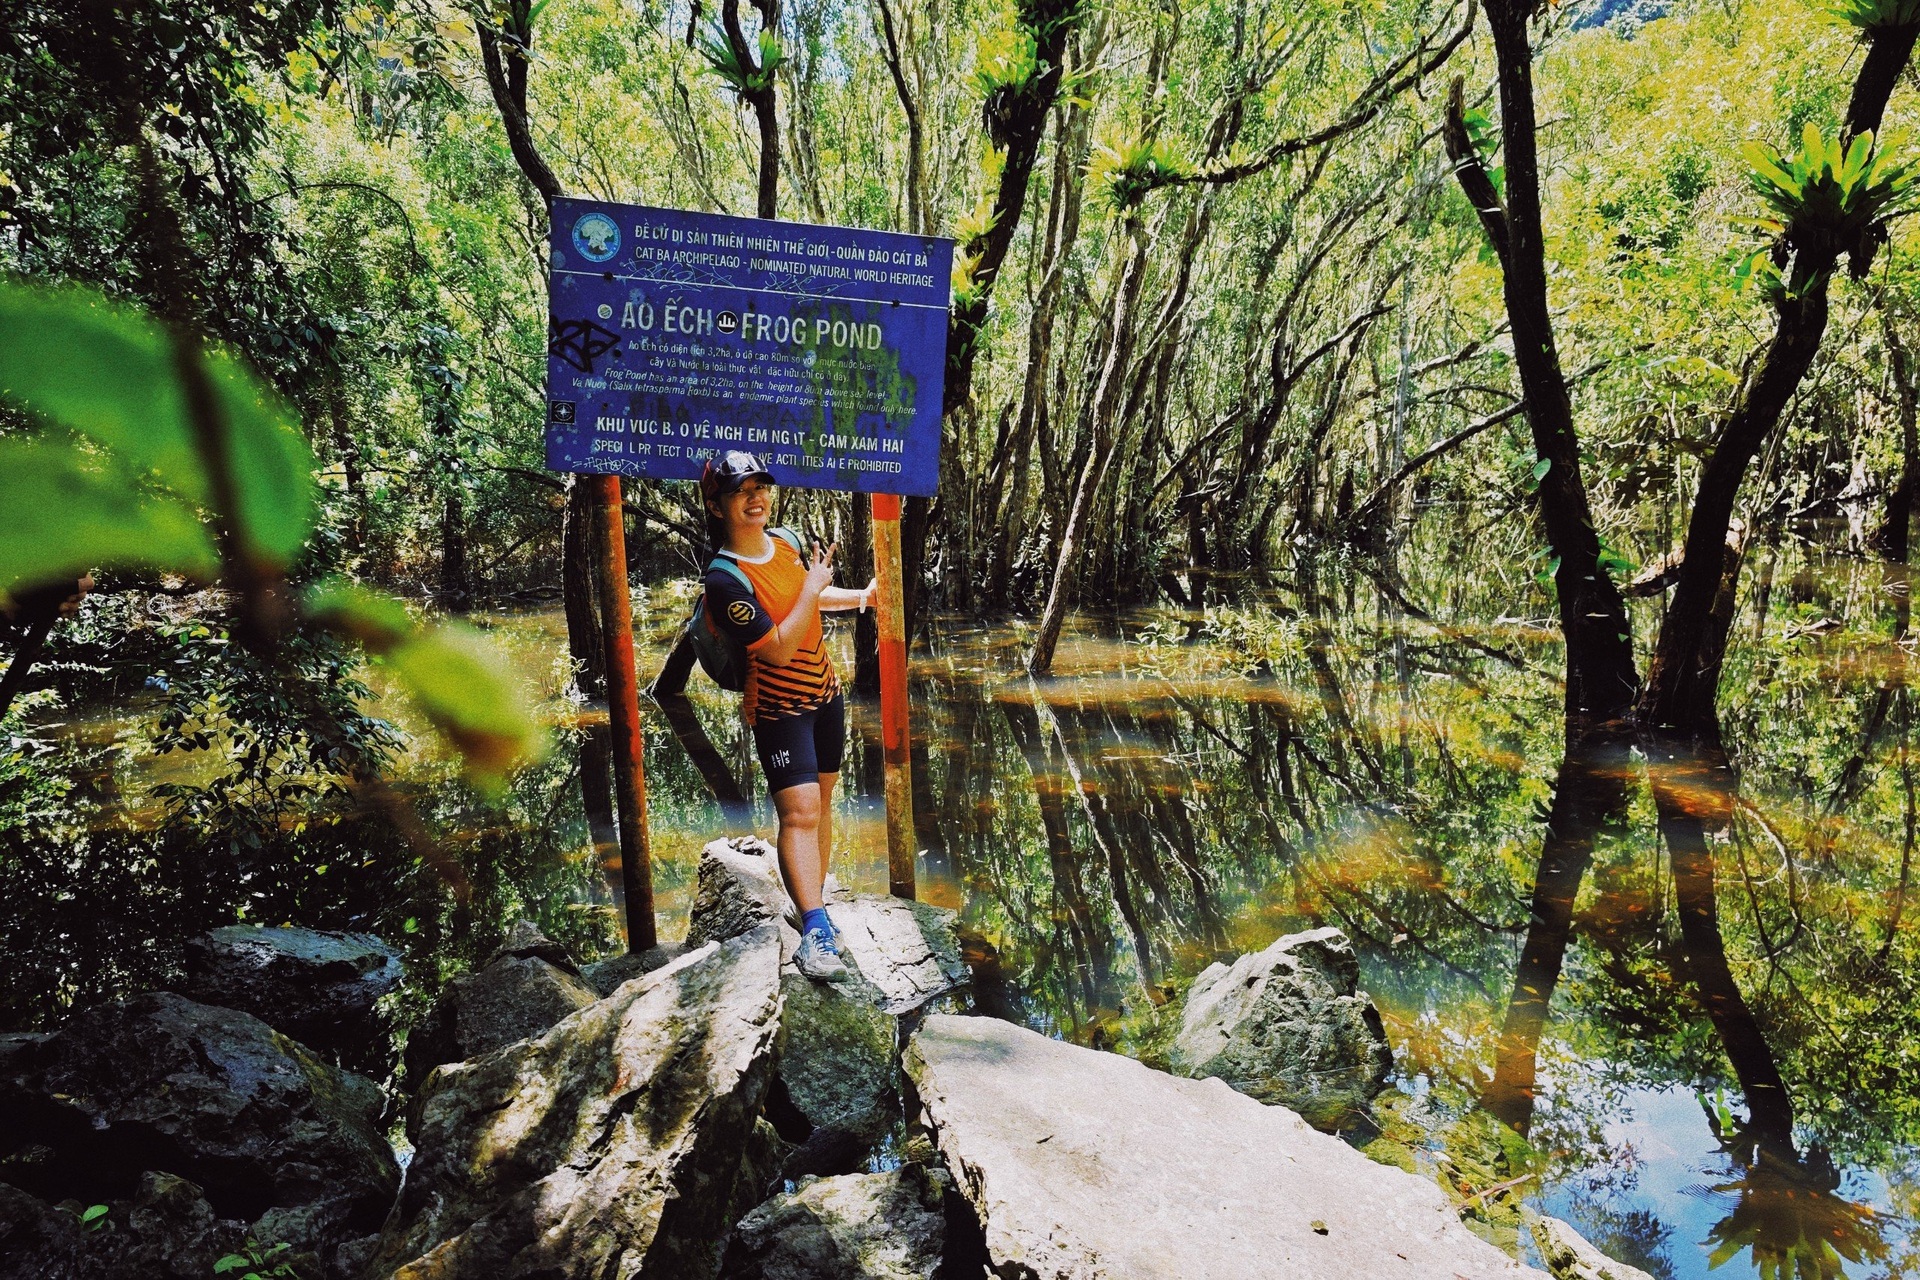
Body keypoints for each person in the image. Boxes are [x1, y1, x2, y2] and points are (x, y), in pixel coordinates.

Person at [701, 451, 875, 981]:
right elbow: (775, 646)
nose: (756, 497)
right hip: (780, 708)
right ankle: (817, 932)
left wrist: (860, 598)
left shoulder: (789, 543)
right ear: (716, 504)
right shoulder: (725, 579)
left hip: (825, 696)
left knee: (820, 806)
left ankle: (810, 910)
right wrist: (811, 588)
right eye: (740, 490)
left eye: (761, 486)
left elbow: (811, 607)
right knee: (799, 813)